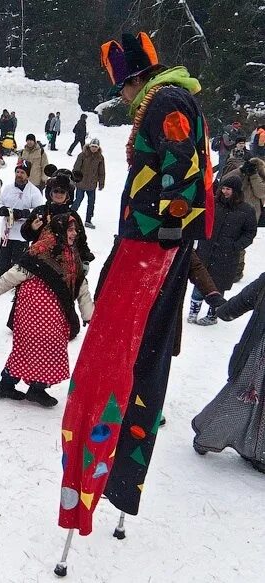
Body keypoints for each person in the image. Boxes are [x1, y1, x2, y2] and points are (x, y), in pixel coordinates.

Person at [59, 32, 216, 533]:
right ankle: (118, 474)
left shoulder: (165, 100)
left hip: (151, 246)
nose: (121, 97)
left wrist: (165, 224)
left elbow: (180, 161)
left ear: (132, 79)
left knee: (120, 351)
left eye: (120, 86)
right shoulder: (169, 98)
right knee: (137, 352)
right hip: (152, 241)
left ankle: (104, 457)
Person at [0, 214, 94, 407]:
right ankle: (16, 385)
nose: (75, 233)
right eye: (70, 229)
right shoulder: (40, 250)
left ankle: (31, 387)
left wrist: (89, 314)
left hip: (55, 312)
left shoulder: (71, 254)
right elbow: (13, 275)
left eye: (75, 229)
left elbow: (81, 286)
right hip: (32, 310)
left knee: (50, 347)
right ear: (59, 230)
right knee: (34, 347)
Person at [191, 272, 265, 473]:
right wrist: (224, 309)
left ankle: (258, 451)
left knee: (241, 399)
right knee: (240, 398)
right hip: (258, 355)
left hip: (257, 352)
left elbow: (240, 303)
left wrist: (224, 309)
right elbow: (240, 302)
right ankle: (208, 436)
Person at [188, 175, 256, 325]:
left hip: (227, 256)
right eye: (223, 188)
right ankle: (193, 311)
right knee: (200, 282)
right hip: (206, 251)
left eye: (228, 189)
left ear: (236, 192)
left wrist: (235, 246)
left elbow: (250, 233)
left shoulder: (246, 210)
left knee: (218, 285)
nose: (224, 191)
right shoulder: (212, 203)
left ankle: (213, 315)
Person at [0, 159, 45, 275]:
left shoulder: (34, 191)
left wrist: (24, 213)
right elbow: (0, 202)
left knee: (18, 261)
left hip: (22, 233)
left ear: (27, 175)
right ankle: (3, 281)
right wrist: (2, 209)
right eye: (17, 172)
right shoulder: (8, 188)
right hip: (7, 232)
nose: (19, 175)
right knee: (3, 260)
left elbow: (39, 210)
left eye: (22, 173)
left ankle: (16, 284)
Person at [71, 138, 105, 228]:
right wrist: (74, 179)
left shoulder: (100, 158)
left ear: (98, 148)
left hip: (92, 185)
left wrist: (101, 183)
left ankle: (88, 220)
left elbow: (101, 171)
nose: (94, 148)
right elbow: (76, 168)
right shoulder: (82, 155)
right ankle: (70, 215)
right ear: (89, 146)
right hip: (81, 184)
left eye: (96, 147)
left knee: (91, 203)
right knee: (78, 200)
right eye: (92, 146)